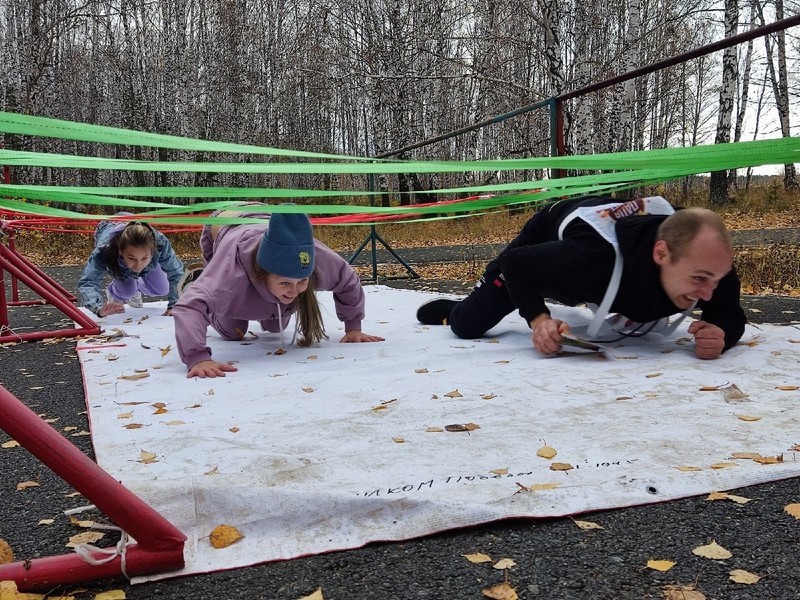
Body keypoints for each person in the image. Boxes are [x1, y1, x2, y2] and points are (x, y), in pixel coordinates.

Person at [416, 195, 746, 360]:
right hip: (555, 231)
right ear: (662, 255)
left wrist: (723, 334)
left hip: (627, 239)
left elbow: (729, 315)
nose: (708, 293)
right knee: (468, 325)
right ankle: (455, 308)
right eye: (700, 279)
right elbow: (518, 264)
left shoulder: (709, 265)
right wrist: (539, 318)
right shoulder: (593, 258)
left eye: (715, 279)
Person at [172, 207, 384, 378]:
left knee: (275, 325)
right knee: (232, 331)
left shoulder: (318, 259)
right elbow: (189, 307)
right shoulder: (230, 277)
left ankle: (276, 294)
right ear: (262, 275)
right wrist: (198, 357)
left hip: (269, 219)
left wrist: (353, 326)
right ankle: (198, 281)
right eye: (285, 283)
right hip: (224, 224)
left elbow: (348, 281)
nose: (294, 291)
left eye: (302, 281)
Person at [78, 215, 185, 318]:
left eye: (144, 258)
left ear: (152, 252)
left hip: (133, 225)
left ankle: (136, 285)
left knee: (162, 289)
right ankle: (115, 291)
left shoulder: (160, 243)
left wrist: (175, 305)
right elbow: (88, 282)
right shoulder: (104, 249)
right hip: (113, 234)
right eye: (131, 258)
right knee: (127, 292)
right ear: (121, 251)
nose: (138, 265)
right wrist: (98, 308)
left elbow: (176, 273)